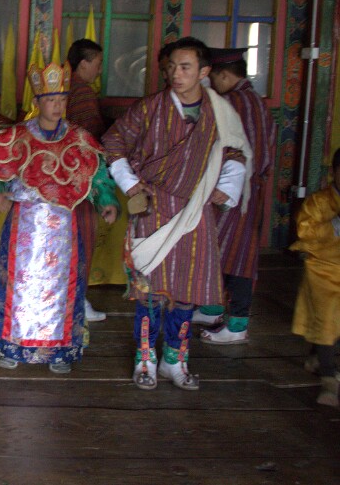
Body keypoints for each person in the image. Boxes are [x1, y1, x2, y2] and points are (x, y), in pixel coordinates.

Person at [101, 37, 252, 390]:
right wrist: (131, 184)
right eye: (170, 67)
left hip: (196, 210)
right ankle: (145, 360)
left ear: (204, 71)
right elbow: (113, 142)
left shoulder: (221, 112)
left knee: (187, 290)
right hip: (154, 207)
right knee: (149, 290)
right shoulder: (150, 108)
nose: (176, 74)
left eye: (185, 67)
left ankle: (175, 359)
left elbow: (236, 153)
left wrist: (225, 188)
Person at [0, 62, 119, 375]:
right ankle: (11, 345)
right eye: (51, 100)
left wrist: (105, 201)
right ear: (37, 102)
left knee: (61, 288)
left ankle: (59, 350)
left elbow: (97, 177)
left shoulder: (79, 139)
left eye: (62, 100)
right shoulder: (16, 137)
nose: (58, 106)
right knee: (17, 285)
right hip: (25, 225)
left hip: (63, 228)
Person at [196, 49, 276, 344]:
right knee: (222, 250)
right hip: (248, 190)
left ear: (224, 75)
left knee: (239, 255)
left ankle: (238, 323)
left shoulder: (231, 102)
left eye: (214, 78)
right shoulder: (256, 100)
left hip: (235, 191)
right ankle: (212, 308)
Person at [290, 148, 340, 407]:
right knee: (328, 316)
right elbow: (305, 231)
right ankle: (329, 379)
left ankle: (317, 356)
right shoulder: (319, 202)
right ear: (333, 173)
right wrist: (335, 224)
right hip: (322, 269)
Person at [66, 38, 108, 322]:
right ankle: (76, 300)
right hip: (77, 178)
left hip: (57, 177)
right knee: (79, 238)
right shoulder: (81, 92)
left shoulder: (65, 88)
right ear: (83, 64)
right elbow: (91, 137)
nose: (99, 70)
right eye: (97, 63)